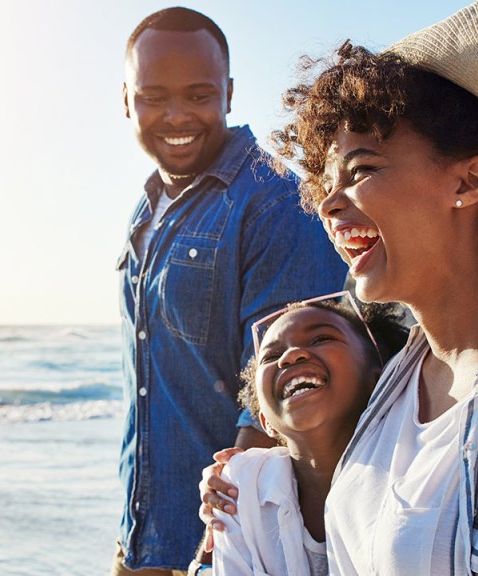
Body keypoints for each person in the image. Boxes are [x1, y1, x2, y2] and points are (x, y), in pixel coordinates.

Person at [199, 1, 478, 574]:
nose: (330, 204)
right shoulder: (399, 379)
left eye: (361, 171)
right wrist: (250, 495)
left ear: (468, 180)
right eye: (325, 183)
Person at [115, 7, 348, 575]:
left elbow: (284, 392)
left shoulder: (273, 201)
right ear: (126, 99)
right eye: (153, 96)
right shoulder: (146, 210)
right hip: (143, 534)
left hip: (227, 544)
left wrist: (216, 546)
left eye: (198, 95)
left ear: (229, 93)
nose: (176, 116)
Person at [212, 293, 408, 575]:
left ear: (378, 377)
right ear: (265, 420)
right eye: (271, 356)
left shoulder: (414, 477)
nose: (291, 356)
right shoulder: (241, 486)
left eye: (321, 339)